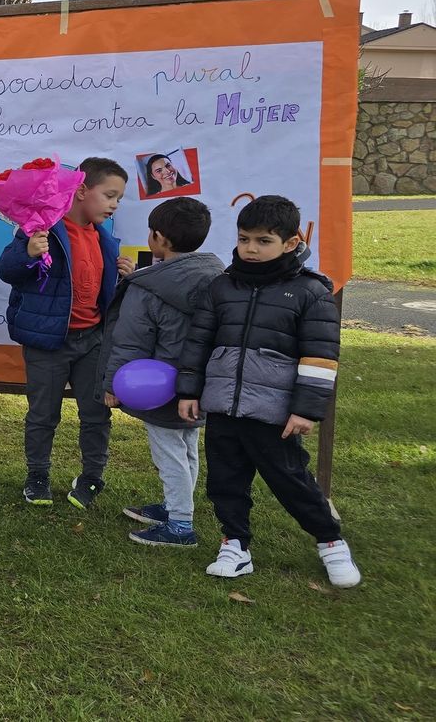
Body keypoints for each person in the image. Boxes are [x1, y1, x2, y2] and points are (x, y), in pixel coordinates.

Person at [177, 195, 360, 587]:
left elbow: (321, 356)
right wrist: (189, 390)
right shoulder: (221, 287)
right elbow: (198, 343)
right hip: (222, 407)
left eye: (263, 241)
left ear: (291, 243)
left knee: (290, 480)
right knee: (225, 481)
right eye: (244, 239)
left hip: (274, 413)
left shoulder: (310, 292)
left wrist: (306, 409)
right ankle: (235, 544)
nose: (251, 249)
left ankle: (330, 541)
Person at [0, 156, 131, 509]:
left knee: (96, 413)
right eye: (110, 195)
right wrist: (28, 253)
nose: (115, 205)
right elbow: (7, 270)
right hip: (48, 343)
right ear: (82, 190)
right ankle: (37, 476)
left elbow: (99, 291)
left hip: (93, 341)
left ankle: (92, 477)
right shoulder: (42, 228)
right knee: (43, 415)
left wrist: (123, 278)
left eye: (119, 199)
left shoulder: (105, 239)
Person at [98, 197, 224, 547]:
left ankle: (180, 524)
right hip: (198, 385)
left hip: (159, 387)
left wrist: (112, 384)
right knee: (187, 447)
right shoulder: (217, 278)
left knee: (169, 453)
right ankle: (175, 506)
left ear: (160, 238)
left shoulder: (146, 289)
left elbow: (130, 341)